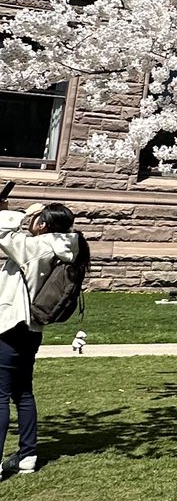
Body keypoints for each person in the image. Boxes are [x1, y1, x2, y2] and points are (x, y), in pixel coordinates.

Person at [0, 200, 85, 477]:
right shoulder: (64, 246)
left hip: (11, 327)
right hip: (31, 330)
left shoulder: (38, 248)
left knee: (1, 395)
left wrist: (13, 212)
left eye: (35, 218)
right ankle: (27, 455)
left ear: (44, 224)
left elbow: (3, 234)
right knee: (22, 392)